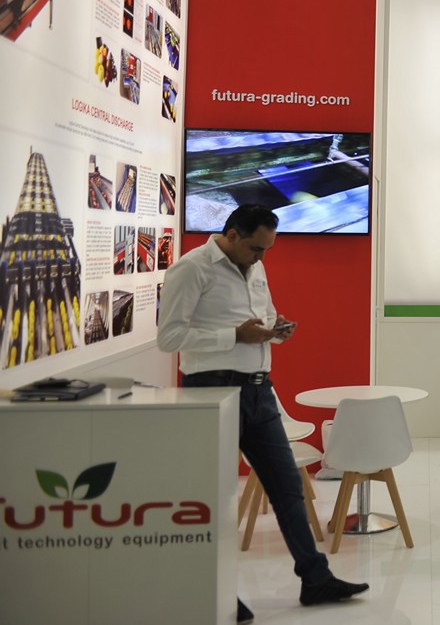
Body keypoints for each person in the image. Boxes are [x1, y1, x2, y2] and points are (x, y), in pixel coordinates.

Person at [157, 204, 368, 623]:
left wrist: (276, 328)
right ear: (232, 235)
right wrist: (233, 335)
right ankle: (218, 593)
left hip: (259, 391)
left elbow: (263, 316)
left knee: (288, 487)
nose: (261, 257)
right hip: (211, 391)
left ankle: (316, 579)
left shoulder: (255, 266)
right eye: (256, 248)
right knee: (215, 498)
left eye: (267, 249)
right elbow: (169, 337)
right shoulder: (191, 268)